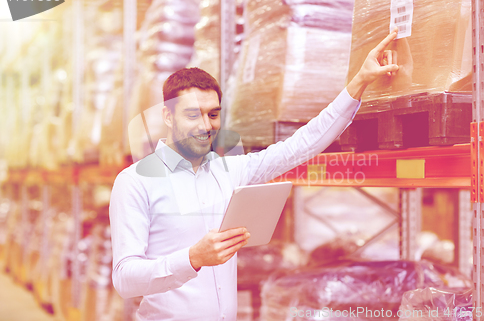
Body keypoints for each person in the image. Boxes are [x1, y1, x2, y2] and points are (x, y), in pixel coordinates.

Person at [110, 29, 400, 321]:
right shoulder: (135, 182)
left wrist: (359, 82)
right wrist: (193, 258)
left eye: (213, 114)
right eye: (192, 115)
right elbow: (124, 279)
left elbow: (300, 146)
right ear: (168, 116)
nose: (205, 125)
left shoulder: (230, 171)